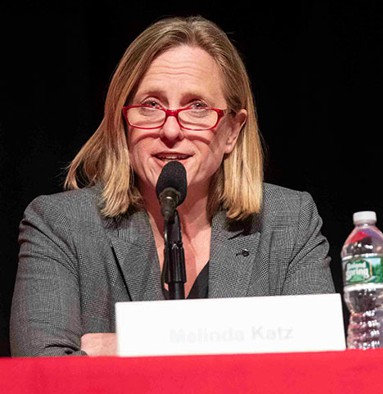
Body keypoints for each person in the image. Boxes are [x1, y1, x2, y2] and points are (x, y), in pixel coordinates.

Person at [10, 15, 335, 356]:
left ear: (232, 131)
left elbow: (317, 363)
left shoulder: (288, 222)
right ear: (124, 120)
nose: (170, 130)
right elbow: (43, 377)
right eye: (151, 105)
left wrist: (127, 347)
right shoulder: (59, 226)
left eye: (197, 107)